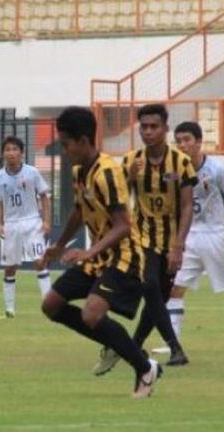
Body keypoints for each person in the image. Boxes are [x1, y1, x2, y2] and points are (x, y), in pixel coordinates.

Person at [40, 106, 162, 398]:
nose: (65, 150)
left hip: (124, 256)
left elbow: (123, 225)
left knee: (92, 315)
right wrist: (60, 245)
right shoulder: (79, 170)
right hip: (97, 257)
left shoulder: (108, 172)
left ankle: (144, 368)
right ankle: (115, 344)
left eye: (66, 144)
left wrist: (88, 251)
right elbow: (80, 211)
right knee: (51, 305)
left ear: (83, 141)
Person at [94, 104, 197, 374]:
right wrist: (127, 178)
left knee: (158, 301)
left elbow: (187, 206)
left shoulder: (181, 163)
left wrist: (178, 246)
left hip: (171, 241)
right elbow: (117, 199)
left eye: (154, 127)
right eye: (144, 127)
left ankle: (130, 346)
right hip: (142, 239)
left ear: (165, 129)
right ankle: (175, 347)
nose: (148, 132)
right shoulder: (130, 161)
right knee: (150, 286)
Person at [155, 121, 224, 355]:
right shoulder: (172, 171)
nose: (182, 145)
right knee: (174, 289)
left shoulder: (217, 169)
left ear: (199, 142)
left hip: (217, 236)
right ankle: (173, 343)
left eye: (187, 140)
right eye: (178, 141)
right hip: (189, 237)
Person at [0, 136, 52, 318]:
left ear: (22, 153)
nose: (11, 153)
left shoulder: (31, 172)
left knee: (40, 262)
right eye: (7, 149)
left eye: (15, 149)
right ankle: (9, 310)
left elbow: (44, 196)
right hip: (12, 225)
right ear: (3, 154)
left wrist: (46, 221)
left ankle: (49, 307)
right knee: (10, 267)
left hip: (32, 222)